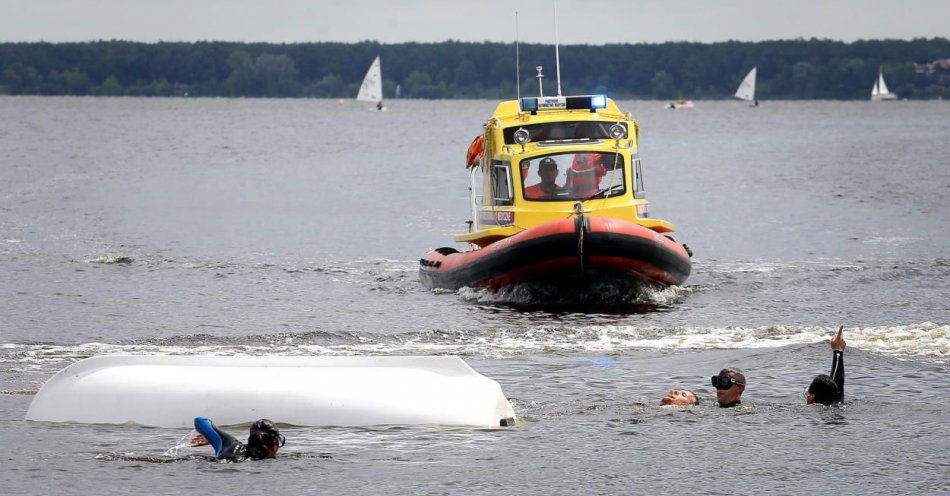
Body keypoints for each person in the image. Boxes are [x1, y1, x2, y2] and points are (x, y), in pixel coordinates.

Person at [191, 416, 285, 461]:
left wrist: (211, 438)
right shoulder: (263, 463)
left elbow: (200, 421)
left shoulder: (230, 444)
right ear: (275, 445)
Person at [806, 326, 845, 406]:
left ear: (811, 397)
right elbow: (838, 385)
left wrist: (838, 351)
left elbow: (838, 386)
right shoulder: (838, 404)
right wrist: (838, 351)